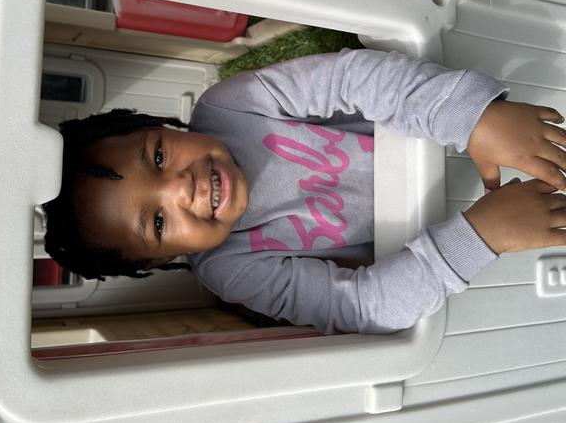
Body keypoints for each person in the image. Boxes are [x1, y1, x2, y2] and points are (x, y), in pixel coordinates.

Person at [43, 48, 566, 334]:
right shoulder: (232, 270)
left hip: (452, 133)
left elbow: (352, 77)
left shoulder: (231, 105)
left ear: (163, 126)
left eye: (158, 157)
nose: (180, 187)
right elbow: (359, 307)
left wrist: (472, 118)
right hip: (469, 233)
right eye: (157, 222)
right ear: (162, 262)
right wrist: (483, 235)